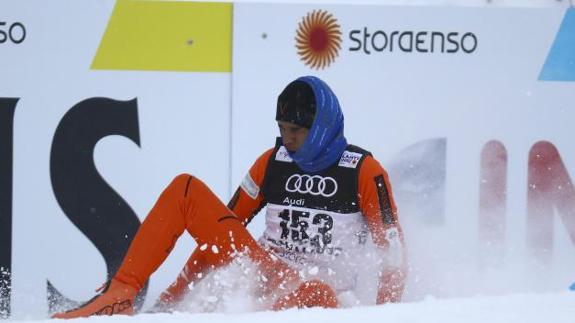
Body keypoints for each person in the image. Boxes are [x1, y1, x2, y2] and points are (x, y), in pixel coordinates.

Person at [52, 76, 407, 319]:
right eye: (281, 129)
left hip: (325, 292)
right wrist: (172, 301)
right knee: (185, 189)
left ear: (321, 125)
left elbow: (393, 254)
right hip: (268, 272)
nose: (287, 139)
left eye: (295, 130)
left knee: (315, 293)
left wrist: (384, 315)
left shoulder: (363, 172)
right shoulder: (271, 163)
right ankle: (120, 295)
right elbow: (223, 231)